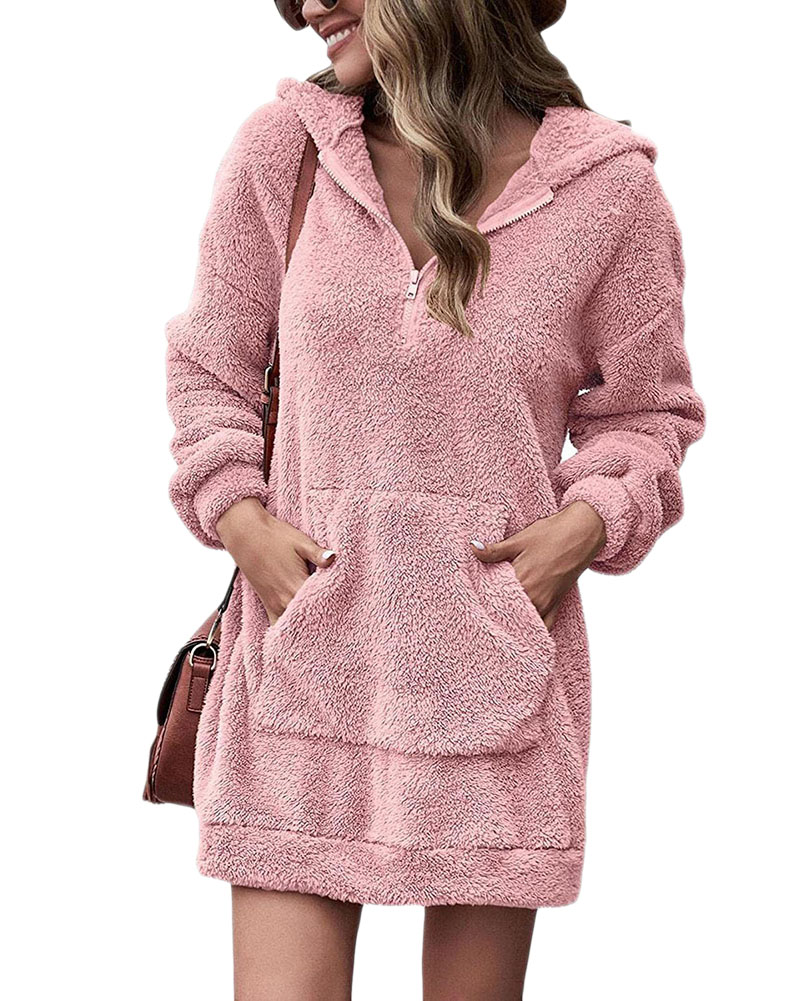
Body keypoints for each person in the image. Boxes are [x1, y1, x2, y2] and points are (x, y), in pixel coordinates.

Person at [163, 0, 706, 997]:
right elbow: (209, 368)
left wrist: (582, 525)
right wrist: (241, 518)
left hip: (490, 680)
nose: (305, 5)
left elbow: (647, 413)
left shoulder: (606, 191)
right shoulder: (285, 152)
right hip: (302, 672)